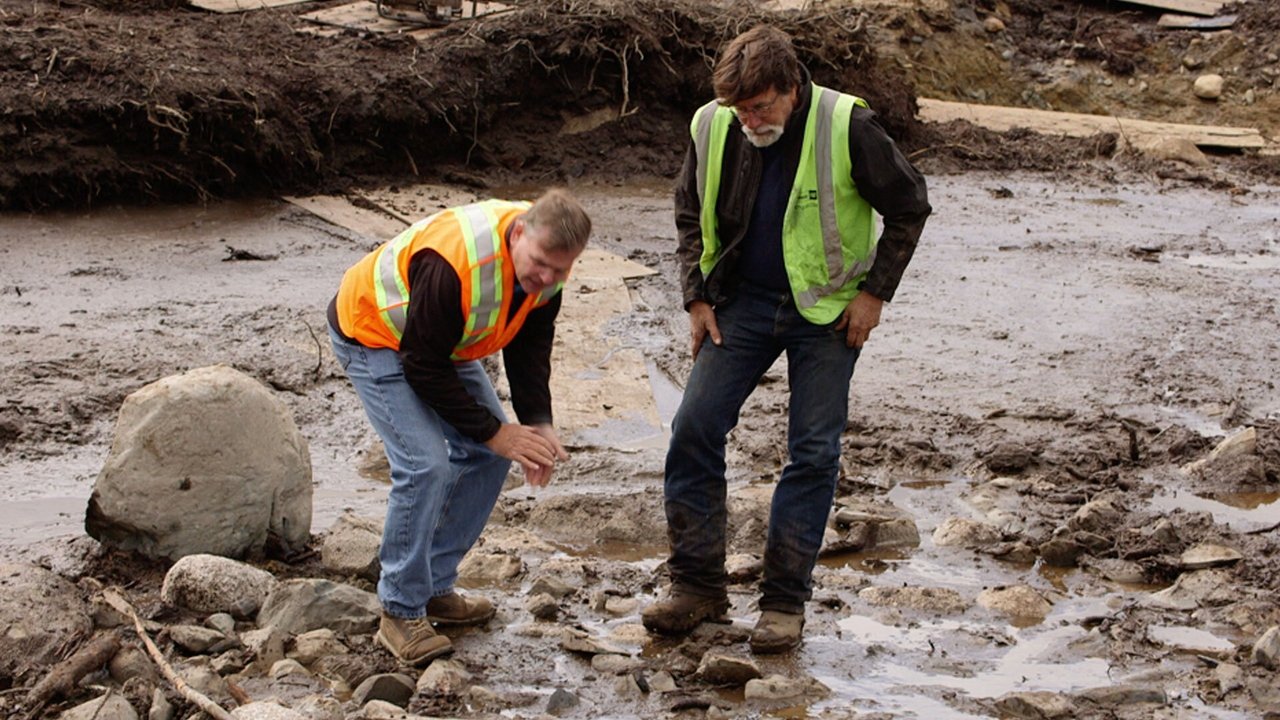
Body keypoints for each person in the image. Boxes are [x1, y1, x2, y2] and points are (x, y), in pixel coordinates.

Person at [641, 26, 931, 653]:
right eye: (740, 109)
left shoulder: (845, 125)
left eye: (762, 107)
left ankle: (783, 605)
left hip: (827, 311)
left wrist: (874, 293)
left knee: (812, 452)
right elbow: (688, 207)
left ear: (792, 90)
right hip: (740, 304)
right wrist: (695, 294)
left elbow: (909, 204)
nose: (750, 120)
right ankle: (696, 587)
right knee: (693, 429)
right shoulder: (712, 124)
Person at [328, 188, 591, 665]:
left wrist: (538, 422)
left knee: (490, 456)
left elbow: (531, 341)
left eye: (560, 270)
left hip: (439, 342)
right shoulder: (456, 263)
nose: (548, 278)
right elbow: (422, 366)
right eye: (539, 264)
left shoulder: (548, 266)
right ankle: (400, 610)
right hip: (373, 332)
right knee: (424, 464)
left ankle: (431, 586)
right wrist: (496, 430)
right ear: (518, 234)